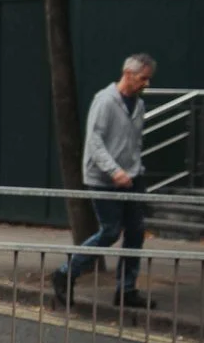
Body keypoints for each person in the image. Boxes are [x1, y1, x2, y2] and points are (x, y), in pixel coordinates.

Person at [55, 53, 156, 309]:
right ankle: (66, 272)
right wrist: (114, 171)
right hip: (103, 178)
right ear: (128, 74)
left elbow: (134, 142)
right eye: (143, 78)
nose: (146, 83)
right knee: (110, 231)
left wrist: (134, 169)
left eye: (148, 79)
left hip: (132, 176)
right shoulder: (105, 101)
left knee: (135, 232)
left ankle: (126, 290)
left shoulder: (140, 105)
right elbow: (95, 142)